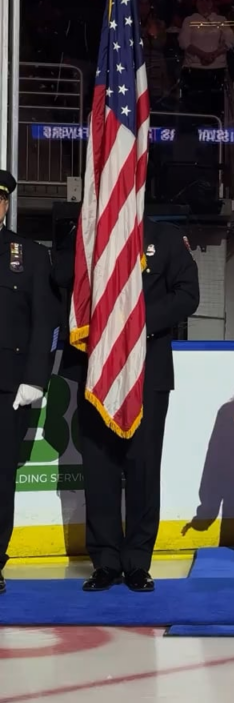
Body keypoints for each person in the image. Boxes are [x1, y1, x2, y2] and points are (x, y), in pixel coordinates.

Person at [53, 218, 200, 593]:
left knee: (143, 467)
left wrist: (136, 324)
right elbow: (60, 280)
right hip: (95, 368)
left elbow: (187, 294)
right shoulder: (84, 233)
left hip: (146, 370)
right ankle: (104, 561)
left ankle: (137, 562)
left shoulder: (163, 236)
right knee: (98, 470)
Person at [0, 171, 59, 593]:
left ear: (5, 205)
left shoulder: (31, 255)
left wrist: (36, 377)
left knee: (1, 477)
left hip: (9, 388)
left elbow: (45, 321)